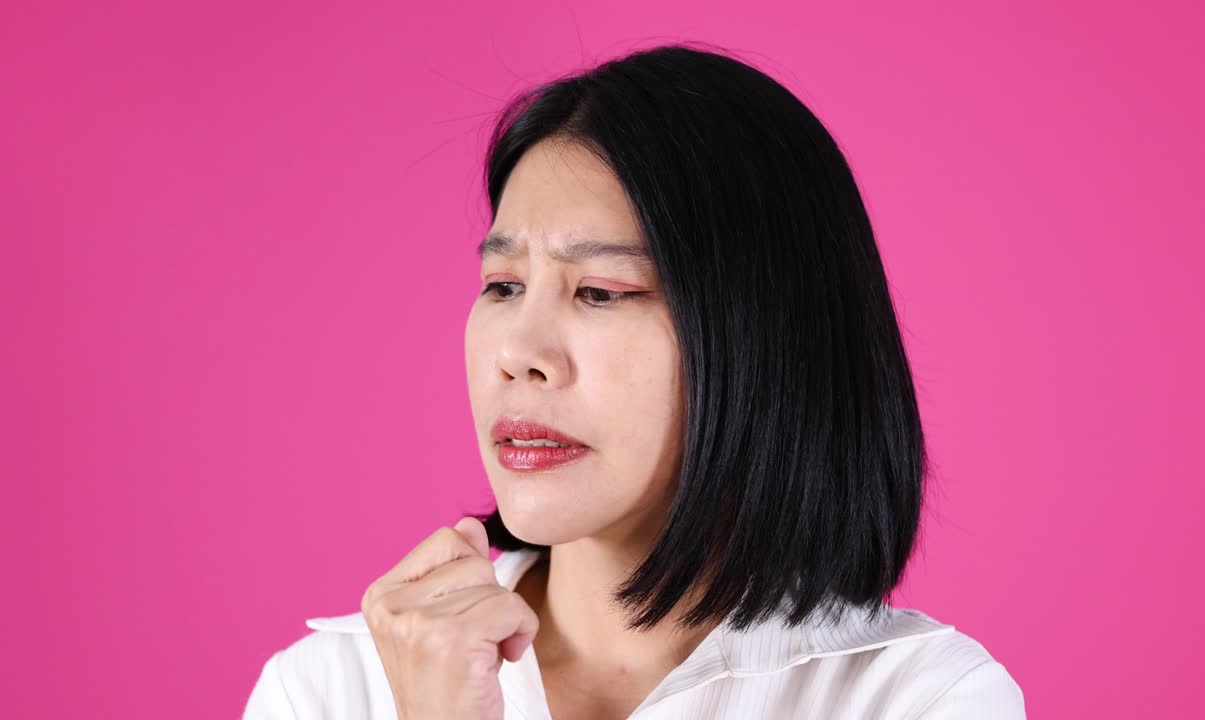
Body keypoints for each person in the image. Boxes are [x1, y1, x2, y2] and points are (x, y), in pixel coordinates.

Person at [244, 41, 1025, 719]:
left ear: (763, 338)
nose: (519, 351)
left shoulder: (923, 700)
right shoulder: (330, 692)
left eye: (599, 292)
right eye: (503, 285)